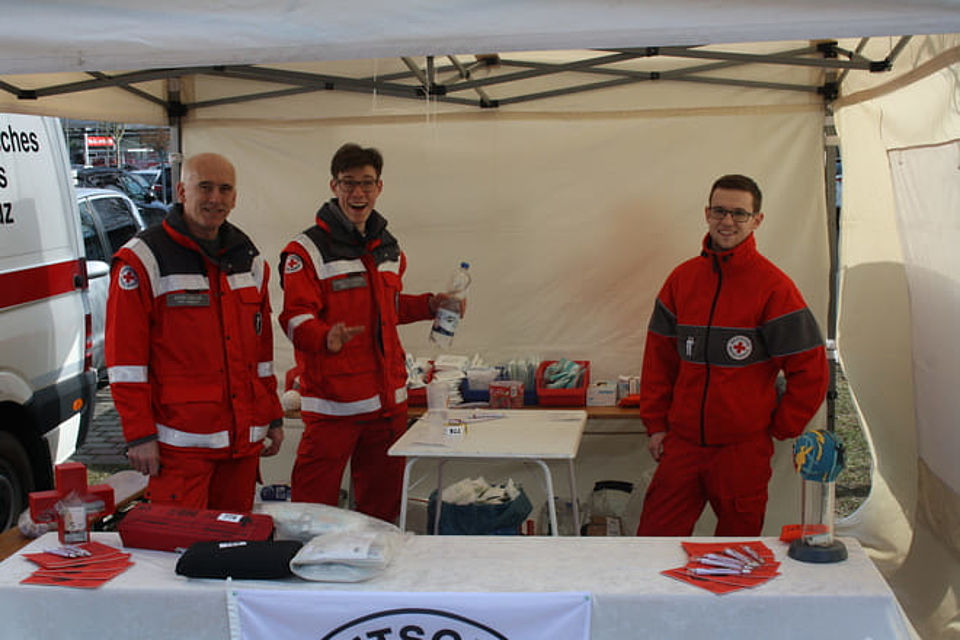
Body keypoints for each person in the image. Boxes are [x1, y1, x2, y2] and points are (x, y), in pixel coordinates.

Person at [278, 143, 463, 523]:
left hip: (387, 405)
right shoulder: (306, 250)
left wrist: (430, 305)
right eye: (348, 183)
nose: (358, 192)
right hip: (334, 407)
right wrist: (324, 336)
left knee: (382, 514)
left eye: (366, 183)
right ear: (334, 186)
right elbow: (294, 317)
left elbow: (387, 309)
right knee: (312, 514)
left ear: (379, 187)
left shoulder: (389, 248)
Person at [636, 174, 828, 536]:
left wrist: (780, 427)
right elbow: (659, 362)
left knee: (737, 552)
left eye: (739, 213)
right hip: (683, 445)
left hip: (742, 451)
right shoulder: (681, 280)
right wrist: (657, 425)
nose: (728, 221)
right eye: (720, 211)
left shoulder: (774, 288)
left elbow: (811, 369)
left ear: (757, 220)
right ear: (707, 213)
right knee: (653, 544)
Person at [105, 153, 284, 512]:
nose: (215, 198)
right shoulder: (144, 259)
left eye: (224, 189)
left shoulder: (249, 259)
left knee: (235, 541)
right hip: (180, 449)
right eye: (205, 187)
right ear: (182, 191)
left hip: (240, 445)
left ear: (235, 198)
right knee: (181, 544)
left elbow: (261, 354)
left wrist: (273, 416)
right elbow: (125, 361)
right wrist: (139, 434)